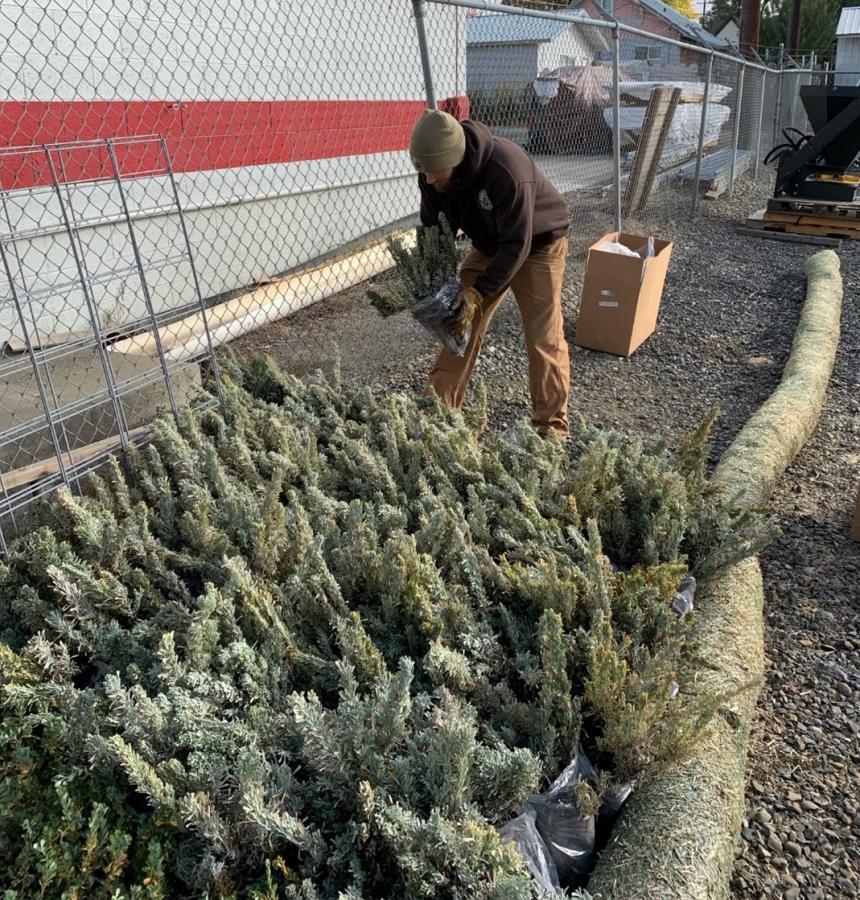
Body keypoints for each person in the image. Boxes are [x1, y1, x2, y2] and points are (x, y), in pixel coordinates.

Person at [409, 108, 571, 439]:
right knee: (457, 322)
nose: (428, 180)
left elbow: (517, 244)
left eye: (434, 172)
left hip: (538, 243)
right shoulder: (433, 173)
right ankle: (438, 411)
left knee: (543, 335)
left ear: (454, 157)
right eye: (422, 171)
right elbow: (434, 232)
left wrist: (477, 292)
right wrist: (436, 284)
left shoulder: (506, 170)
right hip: (489, 244)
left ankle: (551, 427)